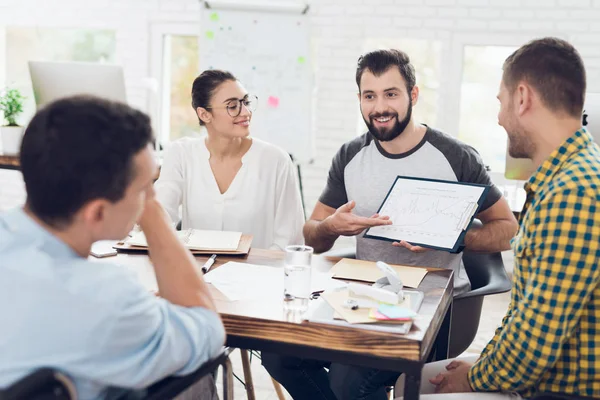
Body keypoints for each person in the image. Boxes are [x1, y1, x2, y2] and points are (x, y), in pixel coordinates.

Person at [262, 49, 518, 400]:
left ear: (413, 95)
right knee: (279, 355)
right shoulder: (350, 156)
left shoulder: (456, 157)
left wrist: (451, 238)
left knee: (347, 380)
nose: (379, 107)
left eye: (391, 94)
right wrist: (332, 226)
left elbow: (507, 228)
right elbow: (312, 236)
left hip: (431, 309)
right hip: (362, 300)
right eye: (370, 96)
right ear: (360, 100)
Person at [394, 37, 600, 399]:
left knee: (420, 389)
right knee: (412, 380)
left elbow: (535, 340)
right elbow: (526, 314)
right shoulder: (561, 180)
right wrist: (484, 361)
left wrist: (474, 378)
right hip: (539, 377)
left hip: (558, 391)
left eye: (501, 102)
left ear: (522, 98)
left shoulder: (574, 192)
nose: (500, 117)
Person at [0, 96, 225, 399]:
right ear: (98, 213)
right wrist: (155, 216)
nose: (151, 195)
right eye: (145, 187)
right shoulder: (106, 299)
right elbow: (208, 329)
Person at [154, 69, 305, 250]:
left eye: (246, 102)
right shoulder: (181, 154)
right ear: (204, 114)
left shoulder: (276, 161)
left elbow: (289, 242)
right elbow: (160, 218)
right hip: (196, 273)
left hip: (258, 273)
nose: (246, 112)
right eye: (233, 106)